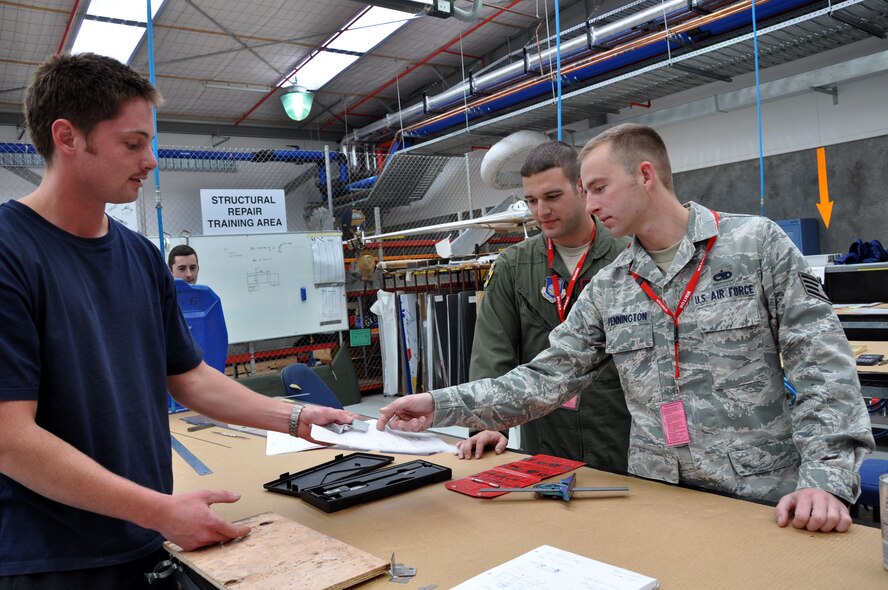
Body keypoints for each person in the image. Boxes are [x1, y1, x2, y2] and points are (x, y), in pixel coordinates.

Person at [378, 123, 875, 534]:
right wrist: (440, 404)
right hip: (655, 496)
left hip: (763, 498)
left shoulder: (755, 246)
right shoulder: (612, 286)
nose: (590, 205)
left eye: (597, 188)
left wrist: (826, 482)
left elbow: (823, 368)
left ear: (645, 175)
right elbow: (544, 379)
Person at [0, 53, 356, 585]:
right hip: (53, 559)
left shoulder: (141, 256)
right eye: (132, 143)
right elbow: (10, 438)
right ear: (68, 137)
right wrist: (158, 510)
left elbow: (188, 377)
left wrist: (293, 418)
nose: (150, 161)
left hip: (143, 538)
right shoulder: (10, 251)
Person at [458, 141, 631, 471]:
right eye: (531, 201)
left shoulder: (628, 257)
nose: (540, 211)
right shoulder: (514, 266)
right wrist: (487, 424)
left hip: (621, 432)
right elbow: (492, 353)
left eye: (552, 197)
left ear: (582, 189)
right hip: (546, 430)